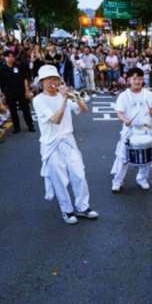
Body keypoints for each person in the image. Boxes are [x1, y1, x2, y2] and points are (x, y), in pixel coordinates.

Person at [32, 65, 99, 225]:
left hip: (69, 141)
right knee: (60, 180)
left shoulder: (64, 97)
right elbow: (56, 120)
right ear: (41, 82)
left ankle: (83, 207)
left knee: (79, 175)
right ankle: (67, 210)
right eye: (47, 80)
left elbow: (84, 109)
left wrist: (77, 97)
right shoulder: (38, 100)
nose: (51, 83)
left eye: (54, 79)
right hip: (52, 144)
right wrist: (64, 99)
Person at [111, 67, 152, 192]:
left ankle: (142, 179)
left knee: (147, 157)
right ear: (129, 80)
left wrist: (151, 110)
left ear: (143, 80)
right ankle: (117, 181)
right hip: (130, 131)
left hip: (146, 130)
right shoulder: (123, 96)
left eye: (140, 78)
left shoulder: (149, 94)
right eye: (134, 78)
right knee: (123, 157)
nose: (137, 81)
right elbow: (119, 113)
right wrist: (125, 120)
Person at [0, 50, 35, 133]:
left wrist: (26, 90)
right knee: (13, 110)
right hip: (10, 93)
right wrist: (3, 93)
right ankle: (16, 127)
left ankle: (30, 125)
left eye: (12, 56)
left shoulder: (19, 66)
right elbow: (2, 83)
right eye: (9, 56)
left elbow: (25, 79)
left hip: (21, 91)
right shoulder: (2, 69)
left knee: (25, 109)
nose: (11, 58)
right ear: (5, 58)